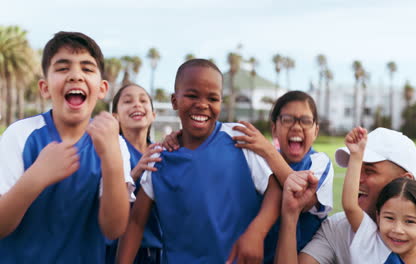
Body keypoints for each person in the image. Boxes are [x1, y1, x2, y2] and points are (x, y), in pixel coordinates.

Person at [117, 59, 293, 263]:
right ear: (174, 101)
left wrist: (257, 232)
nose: (202, 104)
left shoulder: (238, 138)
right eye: (192, 95)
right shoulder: (159, 158)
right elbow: (136, 221)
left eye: (212, 98)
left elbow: (275, 189)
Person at [0, 31, 134, 263]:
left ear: (102, 88)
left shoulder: (114, 142)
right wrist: (36, 177)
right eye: (63, 68)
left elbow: (114, 228)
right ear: (44, 87)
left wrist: (111, 158)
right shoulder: (20, 135)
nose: (75, 76)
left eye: (87, 68)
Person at [276, 127, 416, 264]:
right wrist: (291, 214)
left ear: (404, 181)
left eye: (369, 171)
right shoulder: (336, 229)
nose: (356, 179)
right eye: (354, 167)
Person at [228, 90, 334, 261]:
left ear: (315, 131)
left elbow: (301, 197)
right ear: (274, 128)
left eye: (305, 121)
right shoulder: (259, 161)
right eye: (287, 120)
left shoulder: (319, 162)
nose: (296, 126)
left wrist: (269, 150)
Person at [342, 127, 416, 263]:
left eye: (409, 221)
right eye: (390, 218)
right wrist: (356, 156)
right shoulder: (372, 242)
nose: (397, 230)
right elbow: (350, 206)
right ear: (378, 217)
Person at [107, 83, 163, 264]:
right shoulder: (110, 153)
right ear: (115, 117)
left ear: (153, 115)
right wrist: (133, 175)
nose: (137, 104)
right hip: (114, 252)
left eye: (143, 100)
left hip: (155, 252)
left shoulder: (163, 154)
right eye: (128, 101)